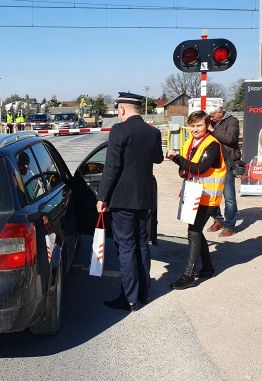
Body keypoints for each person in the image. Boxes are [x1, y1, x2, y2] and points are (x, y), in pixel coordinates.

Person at [97, 92, 164, 311]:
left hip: (122, 199)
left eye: (118, 110)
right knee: (142, 244)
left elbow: (112, 167)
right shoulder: (153, 132)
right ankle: (143, 293)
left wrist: (102, 196)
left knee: (126, 247)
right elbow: (158, 159)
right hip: (144, 197)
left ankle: (129, 298)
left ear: (123, 109)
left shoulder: (119, 130)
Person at [166, 110, 226, 290]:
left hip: (208, 196)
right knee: (195, 231)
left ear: (207, 125)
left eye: (199, 125)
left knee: (193, 232)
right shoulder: (189, 142)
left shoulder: (212, 144)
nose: (195, 129)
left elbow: (200, 168)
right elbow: (187, 167)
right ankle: (207, 268)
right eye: (192, 126)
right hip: (194, 193)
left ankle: (188, 276)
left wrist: (176, 158)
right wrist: (182, 168)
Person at [205, 106, 240, 237]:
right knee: (212, 194)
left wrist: (212, 130)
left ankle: (230, 225)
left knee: (229, 197)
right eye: (210, 117)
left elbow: (230, 139)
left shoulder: (233, 121)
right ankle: (218, 220)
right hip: (212, 162)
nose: (212, 118)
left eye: (213, 116)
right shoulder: (210, 122)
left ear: (221, 112)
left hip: (226, 163)